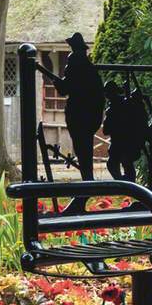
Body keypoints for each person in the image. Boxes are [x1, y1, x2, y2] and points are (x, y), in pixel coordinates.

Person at [49, 33, 105, 213]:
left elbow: (66, 88)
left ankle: (87, 187)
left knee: (83, 152)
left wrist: (58, 83)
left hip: (81, 117)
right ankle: (86, 186)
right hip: (86, 119)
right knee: (83, 152)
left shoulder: (76, 66)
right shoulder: (87, 69)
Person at [101, 82, 148, 182]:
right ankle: (122, 183)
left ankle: (127, 184)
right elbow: (106, 130)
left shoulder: (123, 106)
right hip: (118, 143)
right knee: (114, 163)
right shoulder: (116, 107)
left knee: (125, 161)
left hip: (127, 143)